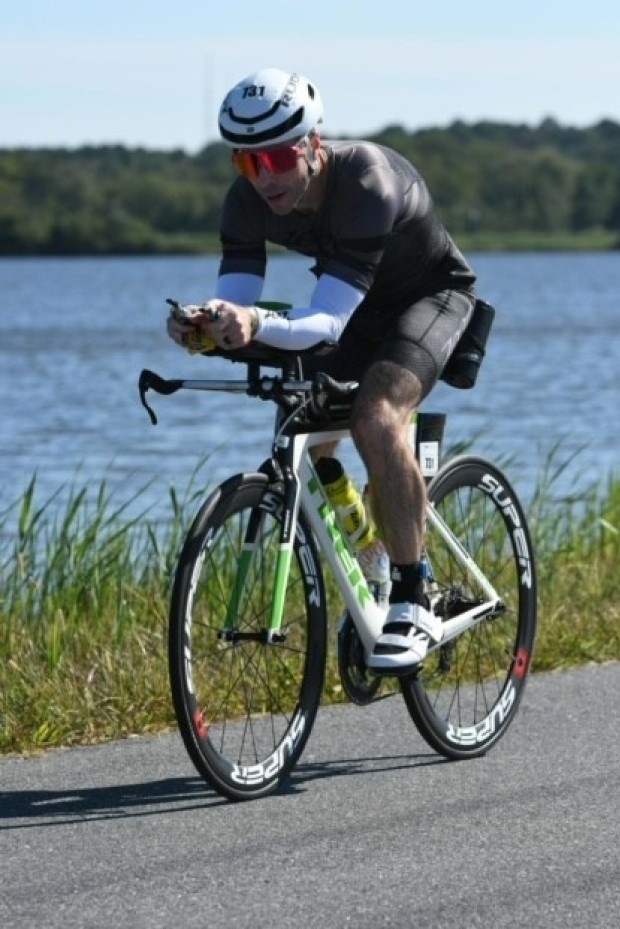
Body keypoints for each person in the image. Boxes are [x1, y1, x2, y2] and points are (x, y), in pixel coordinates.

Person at [167, 67, 477, 675]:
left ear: (312, 144)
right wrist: (205, 327)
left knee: (378, 417)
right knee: (302, 424)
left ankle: (412, 593)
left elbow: (326, 323)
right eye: (246, 164)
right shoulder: (247, 202)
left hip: (429, 299)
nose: (265, 179)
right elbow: (238, 296)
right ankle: (374, 553)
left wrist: (254, 323)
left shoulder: (367, 180)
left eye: (277, 158)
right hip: (354, 307)